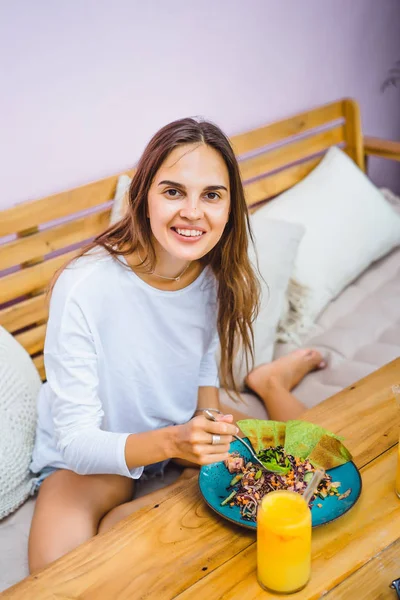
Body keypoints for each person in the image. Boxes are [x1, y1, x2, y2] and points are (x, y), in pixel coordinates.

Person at [28, 118, 325, 572]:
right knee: (61, 580)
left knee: (315, 459)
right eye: (173, 191)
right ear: (142, 197)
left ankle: (270, 383)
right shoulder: (85, 286)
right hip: (95, 457)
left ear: (229, 207)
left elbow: (202, 361)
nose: (193, 212)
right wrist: (175, 443)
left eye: (211, 194)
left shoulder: (212, 271)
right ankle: (254, 397)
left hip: (177, 436)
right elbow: (76, 443)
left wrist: (205, 425)